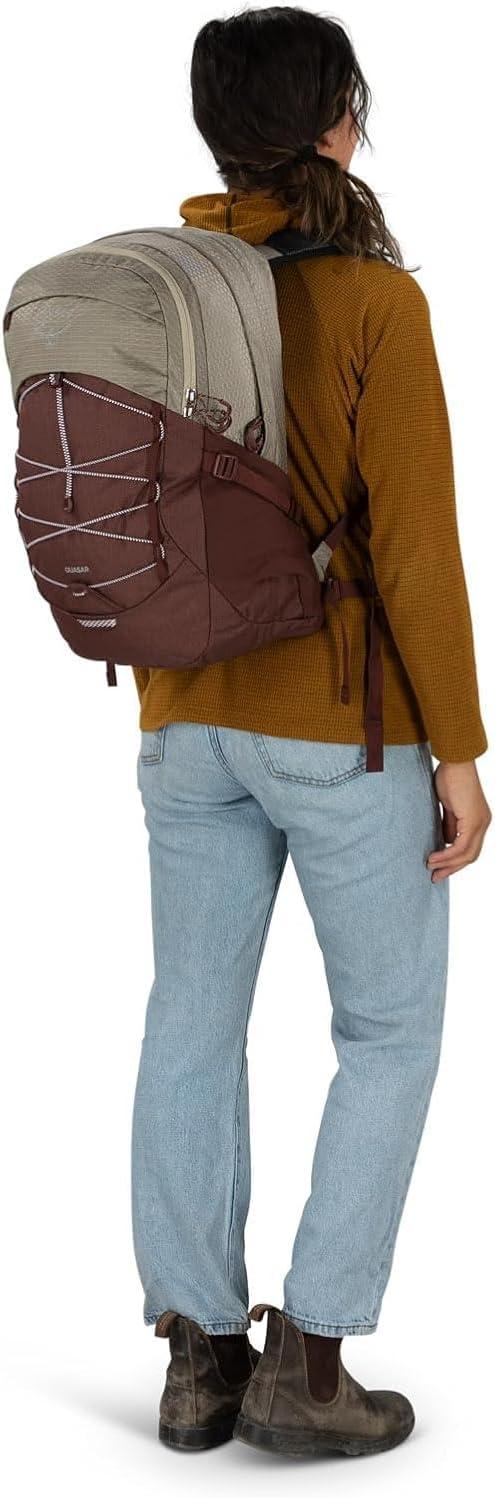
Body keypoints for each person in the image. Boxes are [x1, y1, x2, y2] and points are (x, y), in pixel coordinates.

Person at [131, 7, 491, 1459]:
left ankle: (198, 1360)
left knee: (189, 1020)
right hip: (341, 728)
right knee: (390, 1031)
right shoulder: (372, 301)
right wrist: (460, 751)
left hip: (183, 719)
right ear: (339, 118)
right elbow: (416, 551)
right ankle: (314, 1362)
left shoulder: (161, 286)